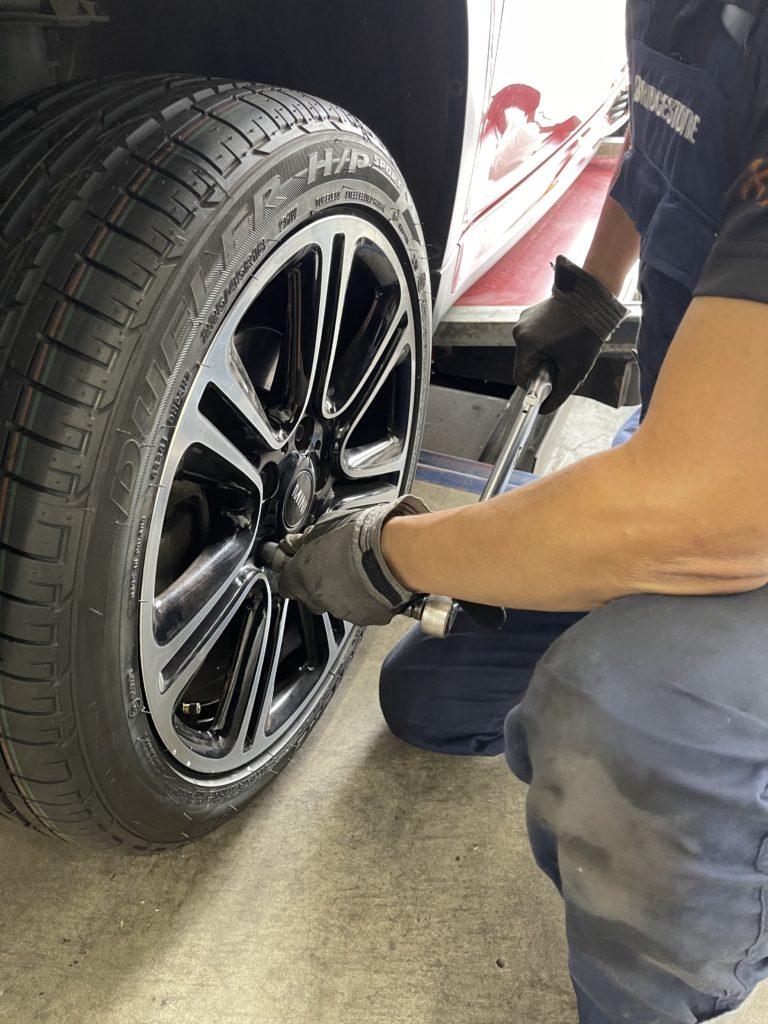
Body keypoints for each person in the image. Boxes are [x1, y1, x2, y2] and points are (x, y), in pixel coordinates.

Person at [278, 2, 768, 1021]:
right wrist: (593, 290)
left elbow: (699, 516)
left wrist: (393, 552)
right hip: (709, 450)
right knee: (430, 698)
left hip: (729, 502)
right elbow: (664, 135)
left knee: (624, 720)